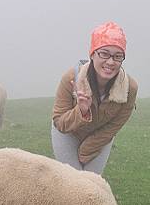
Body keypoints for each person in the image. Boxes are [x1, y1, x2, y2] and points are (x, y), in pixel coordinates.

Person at [51, 21, 138, 175]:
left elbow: (114, 126)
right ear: (92, 54)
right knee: (73, 183)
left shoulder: (129, 89)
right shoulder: (70, 79)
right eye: (104, 53)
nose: (110, 62)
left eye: (118, 56)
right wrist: (81, 111)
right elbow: (59, 122)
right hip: (68, 133)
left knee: (92, 183)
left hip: (100, 138)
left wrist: (87, 150)